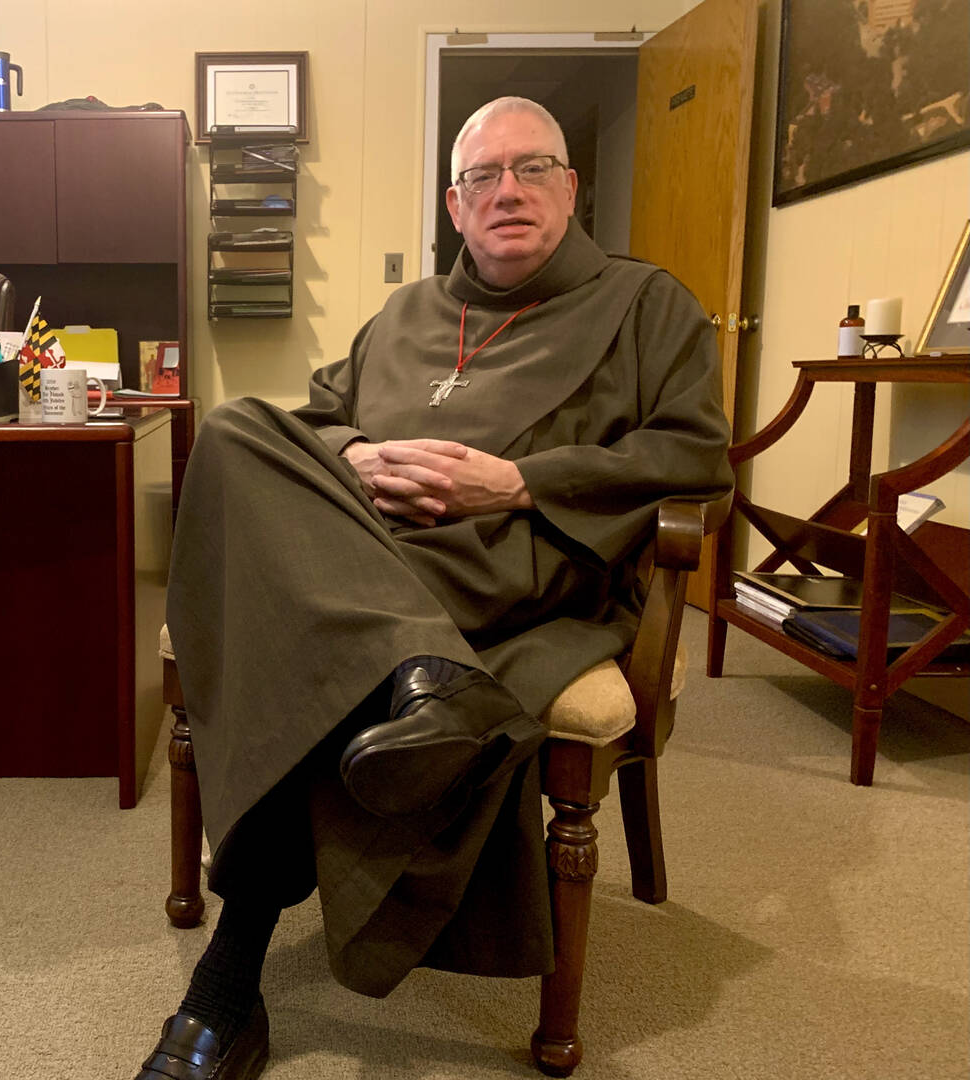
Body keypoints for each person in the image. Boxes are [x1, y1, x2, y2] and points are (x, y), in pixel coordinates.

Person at [134, 97, 733, 1080]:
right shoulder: (406, 313)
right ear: (454, 207)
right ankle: (419, 673)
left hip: (513, 564)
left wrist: (517, 481)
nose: (507, 191)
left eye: (532, 168)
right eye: (482, 178)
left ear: (570, 189)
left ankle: (228, 979)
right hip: (369, 554)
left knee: (302, 647)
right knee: (239, 429)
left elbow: (697, 458)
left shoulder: (648, 304)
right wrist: (358, 457)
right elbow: (315, 417)